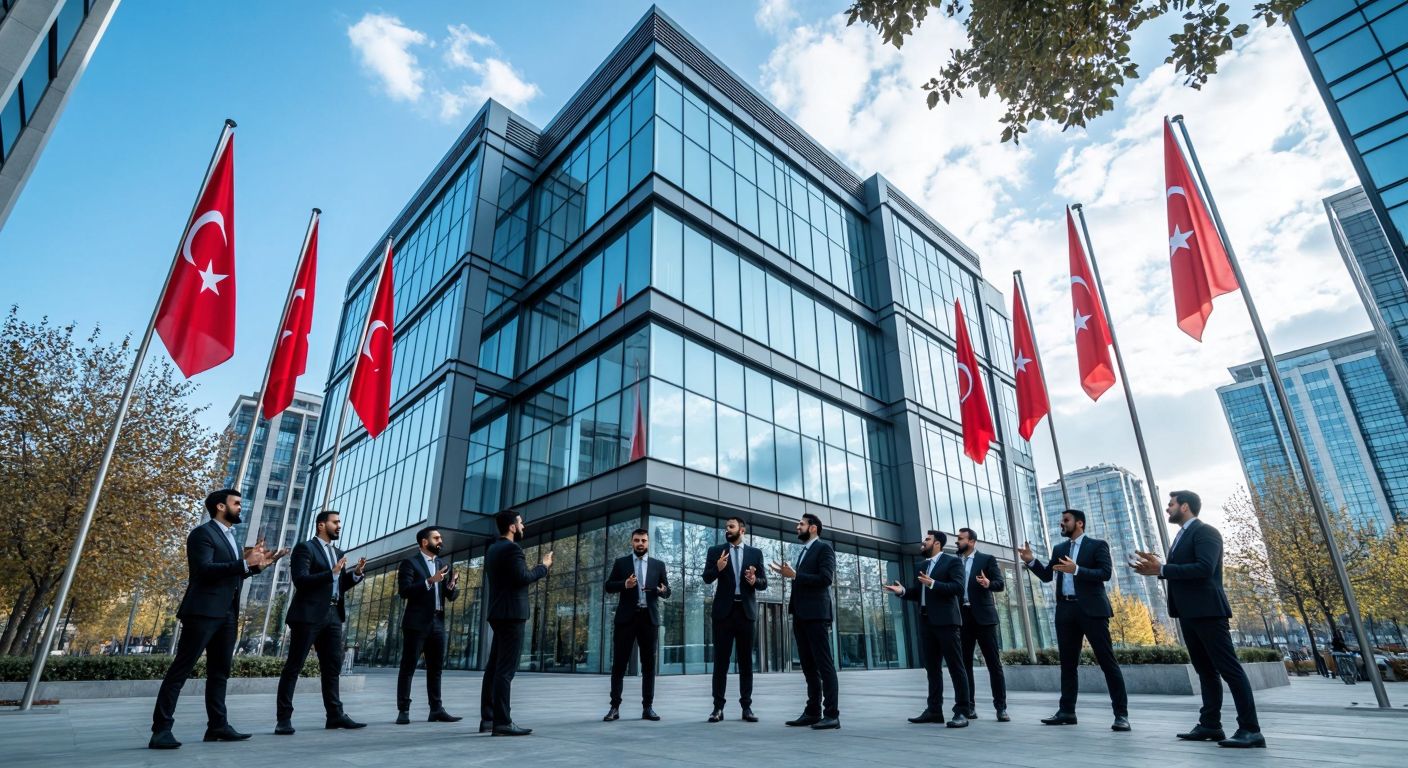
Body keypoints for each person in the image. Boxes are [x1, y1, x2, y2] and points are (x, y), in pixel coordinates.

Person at [150, 489, 286, 749]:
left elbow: (231, 575)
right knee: (181, 670)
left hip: (227, 614)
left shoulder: (232, 539)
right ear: (221, 507)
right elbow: (203, 571)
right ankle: (161, 729)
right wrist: (244, 564)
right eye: (237, 504)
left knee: (219, 673)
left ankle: (217, 726)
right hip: (202, 611)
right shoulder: (202, 534)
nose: (240, 508)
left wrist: (256, 567)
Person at [1132, 490, 1265, 749]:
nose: (1167, 509)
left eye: (1171, 504)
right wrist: (1160, 566)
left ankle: (1251, 729)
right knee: (1205, 670)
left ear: (1185, 506)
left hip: (1208, 611)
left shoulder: (1206, 532)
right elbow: (1183, 569)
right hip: (1188, 613)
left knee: (1230, 670)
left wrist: (1161, 569)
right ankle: (1210, 725)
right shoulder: (1181, 537)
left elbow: (1204, 568)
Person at [1018, 509, 1130, 732]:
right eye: (1061, 520)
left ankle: (1121, 715)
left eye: (1066, 520)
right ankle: (1067, 711)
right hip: (1066, 610)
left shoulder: (1097, 545)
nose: (1062, 523)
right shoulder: (1059, 549)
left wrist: (1076, 569)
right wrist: (1031, 562)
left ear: (1079, 523)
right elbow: (1048, 576)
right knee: (1068, 664)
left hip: (1092, 610)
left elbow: (1105, 574)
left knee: (1107, 662)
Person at [275, 510, 366, 735]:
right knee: (294, 667)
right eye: (335, 522)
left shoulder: (338, 553)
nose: (339, 526)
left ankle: (335, 715)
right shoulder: (305, 548)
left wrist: (354, 575)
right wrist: (331, 573)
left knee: (332, 667)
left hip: (334, 615)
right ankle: (283, 719)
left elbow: (338, 585)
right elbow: (301, 581)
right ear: (321, 525)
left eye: (340, 523)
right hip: (308, 616)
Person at [883, 530, 970, 727]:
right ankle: (934, 710)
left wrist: (933, 584)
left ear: (937, 543)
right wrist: (902, 591)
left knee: (956, 667)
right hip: (926, 622)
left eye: (927, 540)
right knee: (932, 669)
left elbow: (957, 588)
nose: (923, 543)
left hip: (947, 622)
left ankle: (962, 711)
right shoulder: (921, 565)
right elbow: (917, 593)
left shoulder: (952, 562)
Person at [480, 510, 552, 736]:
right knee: (505, 671)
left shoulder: (493, 549)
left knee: (493, 668)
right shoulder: (512, 549)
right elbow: (522, 579)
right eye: (521, 523)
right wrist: (544, 566)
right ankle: (502, 722)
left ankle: (488, 719)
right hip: (512, 615)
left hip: (498, 614)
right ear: (512, 526)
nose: (523, 526)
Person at [769, 513, 839, 730]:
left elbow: (825, 579)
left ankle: (832, 715)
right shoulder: (803, 552)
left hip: (817, 615)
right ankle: (812, 711)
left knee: (824, 666)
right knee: (808, 667)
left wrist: (796, 575)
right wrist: (792, 575)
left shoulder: (824, 549)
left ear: (814, 528)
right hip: (800, 616)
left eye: (801, 524)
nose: (797, 526)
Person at [702, 516, 767, 723]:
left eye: (731, 527)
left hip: (746, 612)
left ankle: (746, 707)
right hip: (723, 613)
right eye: (726, 527)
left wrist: (754, 580)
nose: (727, 530)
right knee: (720, 663)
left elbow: (763, 583)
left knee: (746, 662)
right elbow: (706, 577)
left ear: (742, 530)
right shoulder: (715, 551)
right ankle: (717, 708)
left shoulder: (755, 553)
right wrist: (717, 568)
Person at [603, 528, 671, 721]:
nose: (640, 543)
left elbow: (667, 591)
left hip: (648, 619)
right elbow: (608, 586)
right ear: (631, 542)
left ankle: (647, 708)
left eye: (643, 540)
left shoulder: (658, 565)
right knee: (619, 665)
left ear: (648, 543)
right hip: (626, 619)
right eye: (636, 540)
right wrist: (625, 584)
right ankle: (614, 708)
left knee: (649, 666)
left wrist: (662, 590)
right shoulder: (621, 563)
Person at [395, 527, 461, 725]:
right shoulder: (410, 563)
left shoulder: (443, 564)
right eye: (437, 538)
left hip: (438, 623)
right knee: (408, 667)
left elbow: (450, 596)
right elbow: (404, 591)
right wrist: (430, 581)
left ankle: (436, 710)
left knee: (436, 669)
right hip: (416, 623)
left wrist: (451, 585)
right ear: (425, 542)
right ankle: (404, 710)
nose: (441, 541)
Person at [955, 527, 1008, 721]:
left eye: (960, 539)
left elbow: (1000, 584)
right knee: (965, 664)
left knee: (994, 664)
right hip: (963, 617)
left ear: (972, 541)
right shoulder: (954, 562)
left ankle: (1001, 708)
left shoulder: (986, 559)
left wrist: (988, 584)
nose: (957, 542)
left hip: (984, 618)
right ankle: (969, 706)